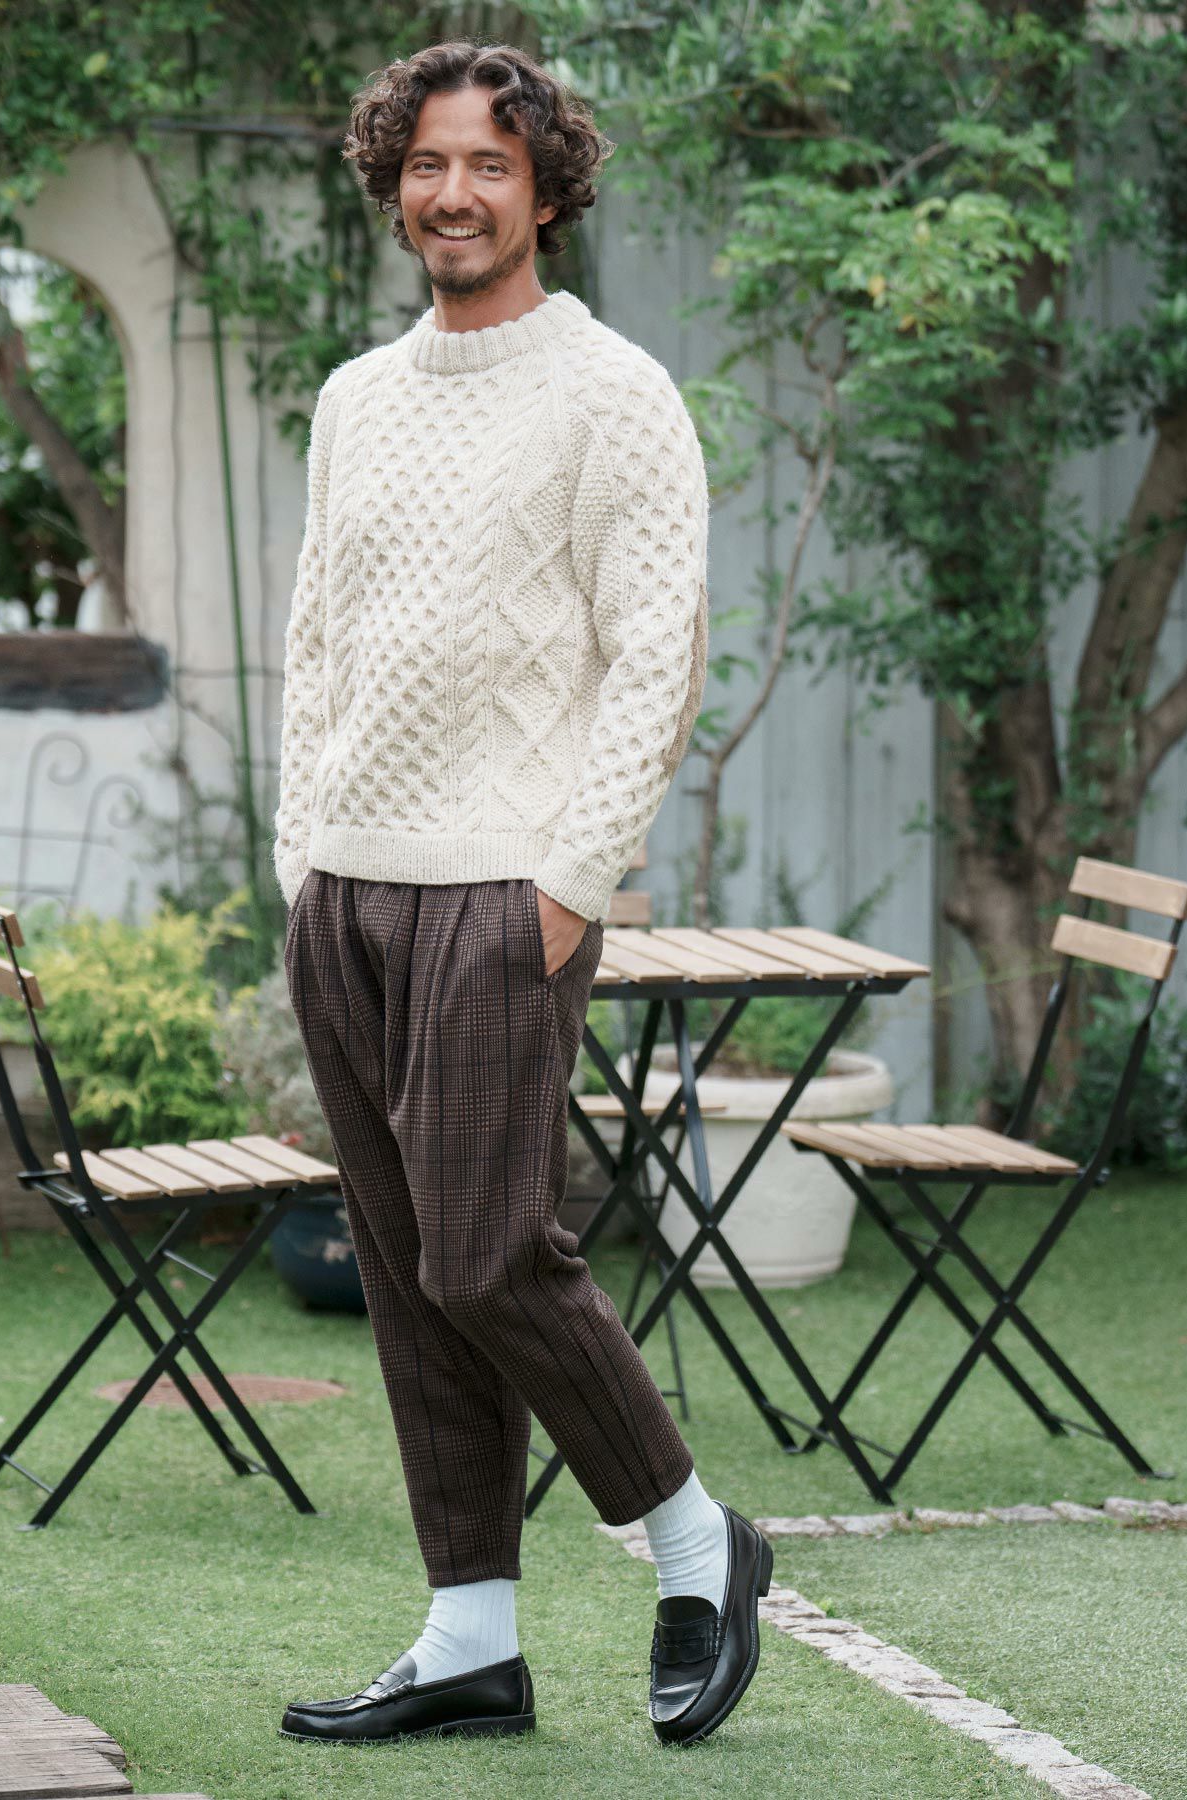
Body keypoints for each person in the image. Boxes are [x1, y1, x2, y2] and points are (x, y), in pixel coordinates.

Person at [274, 39, 771, 1749]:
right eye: (427, 163)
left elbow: (656, 657)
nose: (454, 193)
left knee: (490, 1259)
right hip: (346, 889)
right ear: (391, 182)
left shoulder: (613, 391)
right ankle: (470, 1638)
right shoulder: (355, 398)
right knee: (409, 1273)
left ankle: (698, 1544)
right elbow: (316, 644)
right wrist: (299, 855)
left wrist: (568, 885)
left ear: (547, 188)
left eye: (490, 163)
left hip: (503, 892)